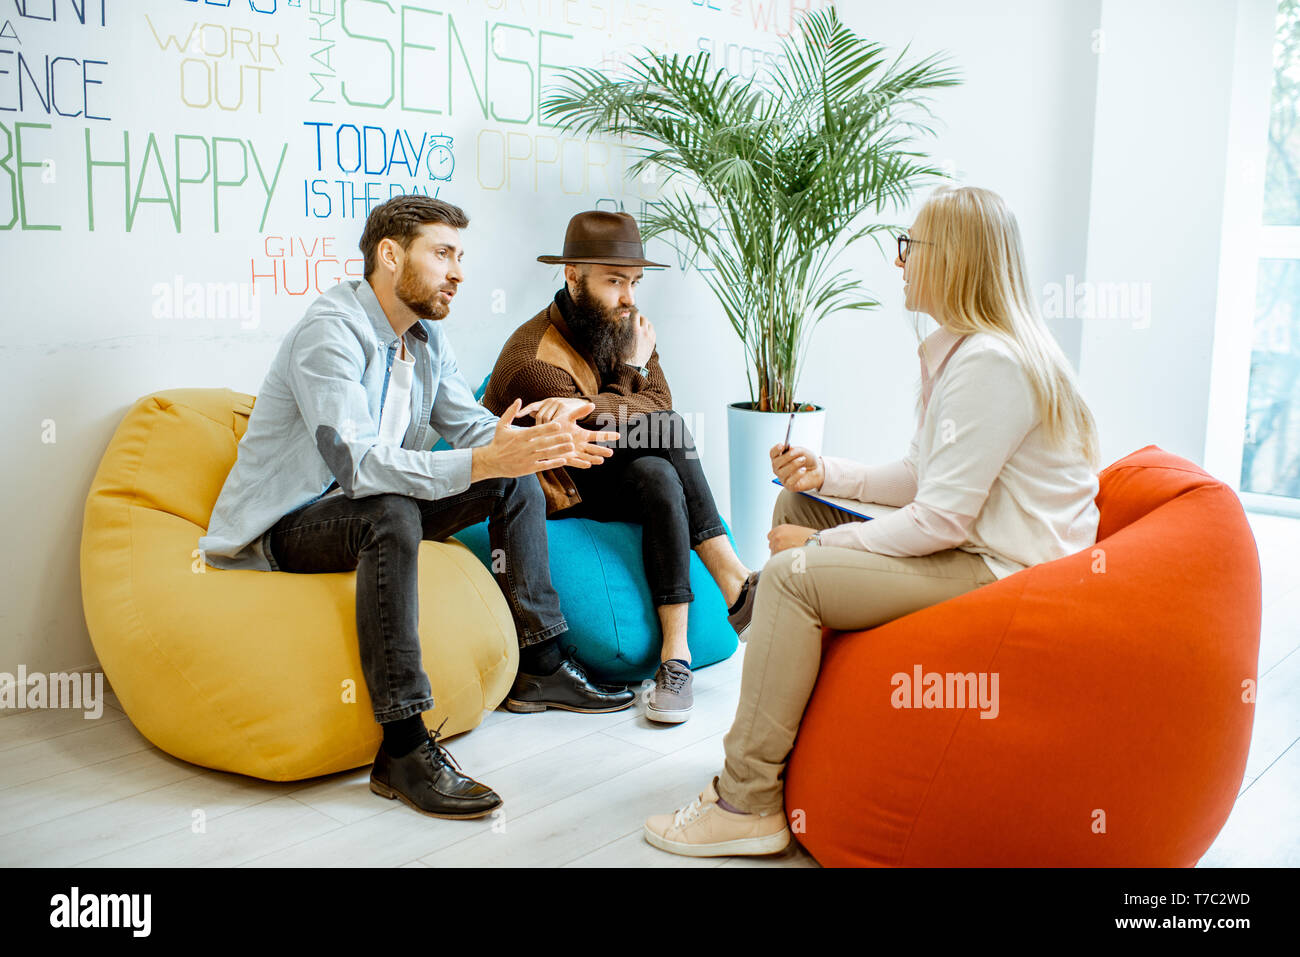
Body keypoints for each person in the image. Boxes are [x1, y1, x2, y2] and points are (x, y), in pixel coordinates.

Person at [642, 185, 1103, 857]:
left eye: (910, 247)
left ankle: (746, 798)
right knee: (791, 505)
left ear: (953, 260)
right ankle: (779, 678)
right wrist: (825, 475)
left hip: (1001, 572)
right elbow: (921, 474)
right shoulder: (970, 350)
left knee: (796, 572)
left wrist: (822, 543)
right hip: (976, 544)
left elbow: (940, 520)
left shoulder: (990, 364)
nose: (901, 262)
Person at [198, 195, 636, 822]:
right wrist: (485, 460)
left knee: (514, 482)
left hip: (363, 504)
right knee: (392, 512)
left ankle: (540, 664)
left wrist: (541, 442)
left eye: (461, 256)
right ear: (389, 255)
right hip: (288, 524)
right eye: (443, 254)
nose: (459, 272)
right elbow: (356, 466)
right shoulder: (332, 332)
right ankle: (402, 746)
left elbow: (471, 428)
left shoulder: (425, 339)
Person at [482, 210, 759, 725]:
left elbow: (660, 399)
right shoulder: (533, 357)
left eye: (633, 281)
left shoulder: (622, 323)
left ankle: (675, 658)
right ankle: (736, 583)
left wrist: (611, 391)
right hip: (556, 485)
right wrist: (630, 373)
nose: (628, 296)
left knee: (659, 472)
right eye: (614, 281)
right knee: (668, 433)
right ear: (572, 276)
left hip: (609, 465)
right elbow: (588, 437)